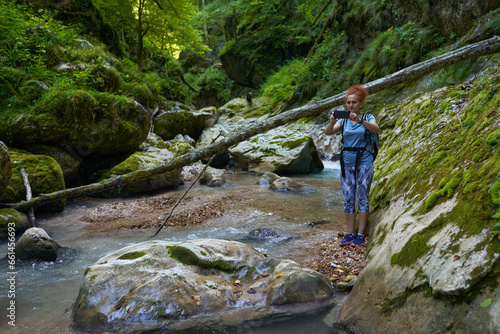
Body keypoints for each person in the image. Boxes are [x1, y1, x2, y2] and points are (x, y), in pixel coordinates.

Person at [325, 84, 379, 246]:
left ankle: (360, 235)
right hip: (347, 161)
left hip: (364, 160)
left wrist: (360, 121)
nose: (350, 105)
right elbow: (329, 132)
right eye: (348, 103)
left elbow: (376, 129)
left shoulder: (368, 117)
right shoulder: (343, 120)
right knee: (348, 198)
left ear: (361, 104)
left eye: (354, 102)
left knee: (362, 196)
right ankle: (350, 233)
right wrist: (332, 121)